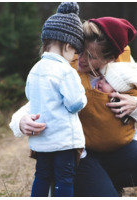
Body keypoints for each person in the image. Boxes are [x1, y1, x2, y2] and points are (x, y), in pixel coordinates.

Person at [10, 16, 137, 197]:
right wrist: (21, 122)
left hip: (117, 149)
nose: (82, 60)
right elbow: (37, 101)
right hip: (80, 154)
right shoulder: (65, 67)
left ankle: (102, 181)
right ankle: (86, 182)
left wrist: (136, 105)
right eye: (81, 51)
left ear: (109, 58)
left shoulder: (124, 69)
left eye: (91, 56)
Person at [25, 2, 87, 197]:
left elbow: (30, 96)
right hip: (63, 139)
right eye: (74, 51)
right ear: (68, 46)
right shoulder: (65, 71)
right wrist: (83, 97)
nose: (73, 57)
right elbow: (75, 103)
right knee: (64, 178)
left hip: (41, 139)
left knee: (42, 175)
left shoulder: (35, 69)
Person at [82, 59, 137, 152]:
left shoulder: (125, 94)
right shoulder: (89, 86)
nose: (100, 82)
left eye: (107, 82)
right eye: (101, 78)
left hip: (123, 142)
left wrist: (136, 105)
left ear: (117, 91)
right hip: (91, 144)